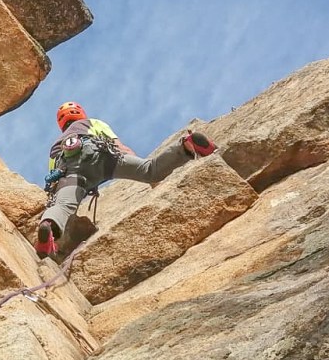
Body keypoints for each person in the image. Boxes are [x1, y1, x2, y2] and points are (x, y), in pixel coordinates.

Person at [35, 101, 217, 258]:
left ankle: (48, 227)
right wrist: (146, 175)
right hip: (101, 156)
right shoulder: (92, 123)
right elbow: (117, 145)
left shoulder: (55, 145)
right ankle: (187, 145)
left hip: (71, 170)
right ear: (80, 114)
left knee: (63, 206)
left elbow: (54, 182)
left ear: (61, 124)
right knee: (150, 170)